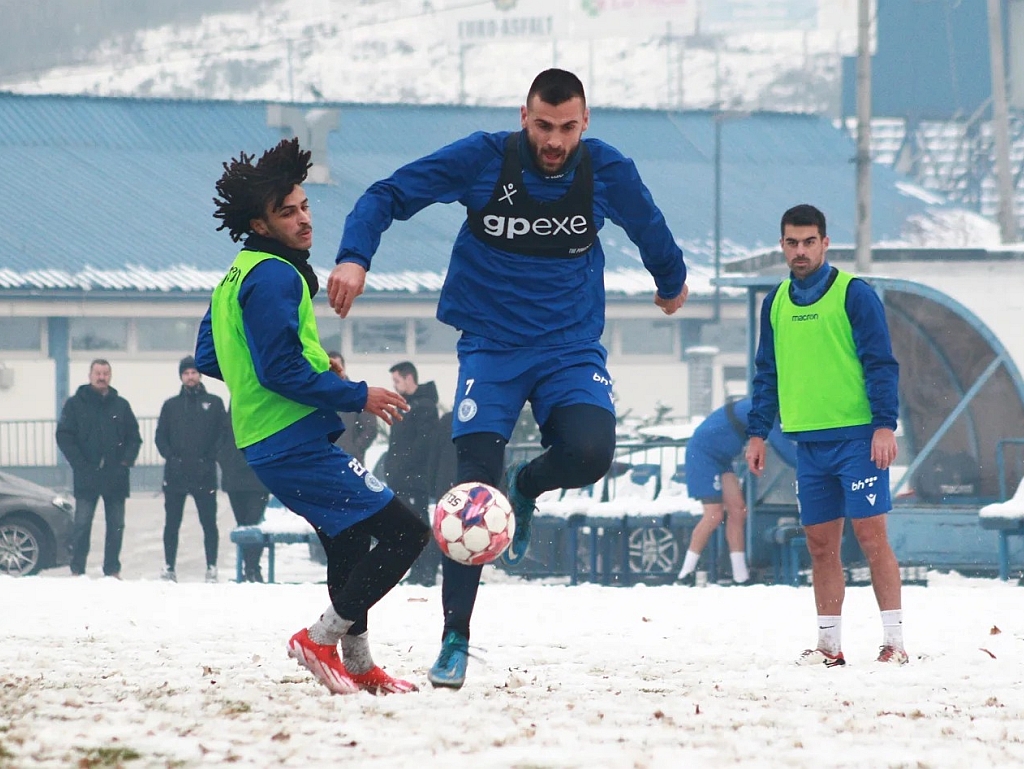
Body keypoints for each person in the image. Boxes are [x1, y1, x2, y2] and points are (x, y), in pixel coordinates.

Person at [327, 68, 689, 688]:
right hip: (492, 349)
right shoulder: (482, 158)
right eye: (543, 126)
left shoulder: (605, 169)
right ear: (524, 117)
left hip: (570, 346)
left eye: (567, 128)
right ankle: (454, 639)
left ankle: (526, 485)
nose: (554, 141)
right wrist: (355, 256)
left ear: (585, 123)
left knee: (591, 452)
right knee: (471, 491)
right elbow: (387, 195)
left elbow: (648, 224)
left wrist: (670, 279)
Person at [195, 137, 429, 695]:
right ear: (260, 222)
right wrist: (354, 393)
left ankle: (358, 664)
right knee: (406, 534)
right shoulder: (275, 277)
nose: (304, 220)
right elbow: (278, 372)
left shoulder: (238, 272)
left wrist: (275, 376)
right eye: (288, 212)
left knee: (349, 543)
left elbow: (211, 355)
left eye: (304, 206)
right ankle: (317, 639)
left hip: (269, 438)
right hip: (287, 442)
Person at [745, 204, 906, 667]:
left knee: (872, 539)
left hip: (858, 439)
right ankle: (829, 647)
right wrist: (757, 434)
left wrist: (883, 425)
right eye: (792, 243)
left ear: (825, 242)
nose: (800, 251)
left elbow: (881, 362)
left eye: (809, 242)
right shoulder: (773, 302)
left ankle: (895, 643)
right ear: (782, 245)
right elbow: (766, 373)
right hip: (807, 445)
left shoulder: (854, 294)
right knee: (820, 546)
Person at [676, 397, 795, 586]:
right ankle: (684, 575)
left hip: (721, 458)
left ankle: (740, 576)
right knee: (713, 515)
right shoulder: (765, 408)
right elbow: (783, 448)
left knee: (738, 512)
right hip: (702, 455)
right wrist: (810, 466)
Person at [55, 359, 142, 578]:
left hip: (116, 476)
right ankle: (77, 570)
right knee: (82, 524)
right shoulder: (75, 404)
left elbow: (134, 438)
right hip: (87, 475)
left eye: (105, 373)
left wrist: (125, 462)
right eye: (97, 373)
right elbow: (64, 436)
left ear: (110, 376)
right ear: (90, 375)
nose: (101, 377)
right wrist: (79, 464)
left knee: (116, 525)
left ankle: (112, 569)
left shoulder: (121, 405)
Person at [154, 356, 227, 583]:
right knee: (172, 523)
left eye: (194, 372)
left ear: (200, 375)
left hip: (204, 474)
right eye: (186, 373)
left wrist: (210, 459)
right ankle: (169, 567)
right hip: (175, 475)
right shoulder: (171, 406)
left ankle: (211, 567)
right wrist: (171, 458)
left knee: (209, 523)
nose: (190, 376)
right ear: (181, 377)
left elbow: (223, 435)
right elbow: (160, 437)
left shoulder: (214, 403)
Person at [385, 361, 441, 586]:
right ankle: (417, 569)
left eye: (397, 381)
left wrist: (403, 465)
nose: (395, 386)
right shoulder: (405, 406)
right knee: (409, 525)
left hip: (414, 479)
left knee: (418, 523)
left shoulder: (424, 406)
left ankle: (425, 570)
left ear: (409, 378)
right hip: (402, 477)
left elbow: (423, 445)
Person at [218, 406, 270, 582]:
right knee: (242, 524)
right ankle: (248, 568)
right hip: (235, 478)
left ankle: (252, 567)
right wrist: (224, 460)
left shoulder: (264, 409)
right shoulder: (232, 410)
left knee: (253, 523)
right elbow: (222, 438)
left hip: (258, 478)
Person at [327, 351, 378, 465]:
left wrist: (354, 448)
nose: (333, 372)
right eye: (330, 369)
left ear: (343, 369)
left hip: (350, 462)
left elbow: (370, 428)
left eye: (337, 367)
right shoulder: (320, 397)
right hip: (325, 462)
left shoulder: (356, 394)